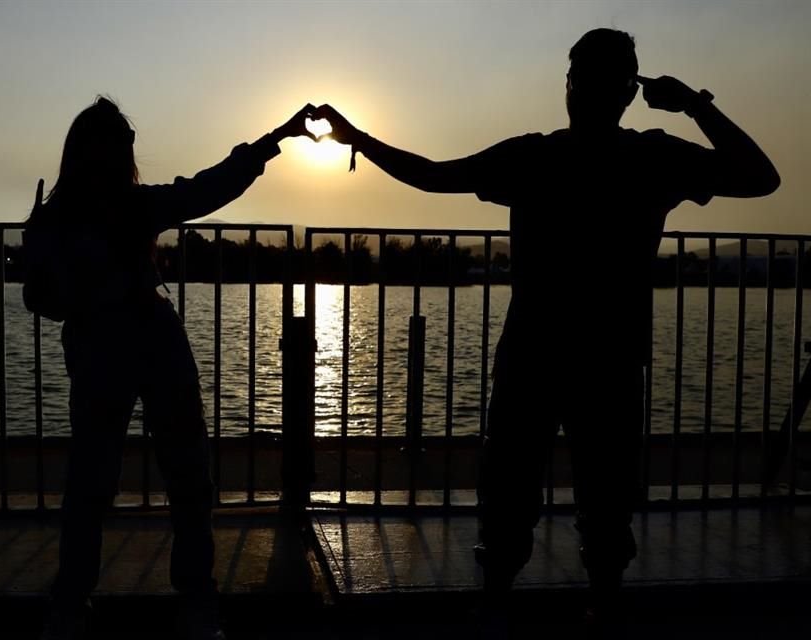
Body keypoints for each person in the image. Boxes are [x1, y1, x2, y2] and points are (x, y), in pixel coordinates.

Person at [314, 28, 779, 633]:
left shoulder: (537, 157)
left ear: (570, 85)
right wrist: (694, 104)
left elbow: (431, 175)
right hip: (608, 355)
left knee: (513, 486)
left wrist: (357, 138)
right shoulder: (654, 158)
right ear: (630, 91)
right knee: (602, 494)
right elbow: (759, 176)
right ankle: (598, 604)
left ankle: (499, 602)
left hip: (534, 352)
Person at [36, 97, 317, 640]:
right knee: (179, 476)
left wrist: (272, 141)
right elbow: (207, 188)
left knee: (100, 479)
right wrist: (272, 141)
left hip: (106, 348)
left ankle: (76, 602)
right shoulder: (124, 207)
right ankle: (190, 598)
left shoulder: (65, 215)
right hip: (143, 342)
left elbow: (43, 297)